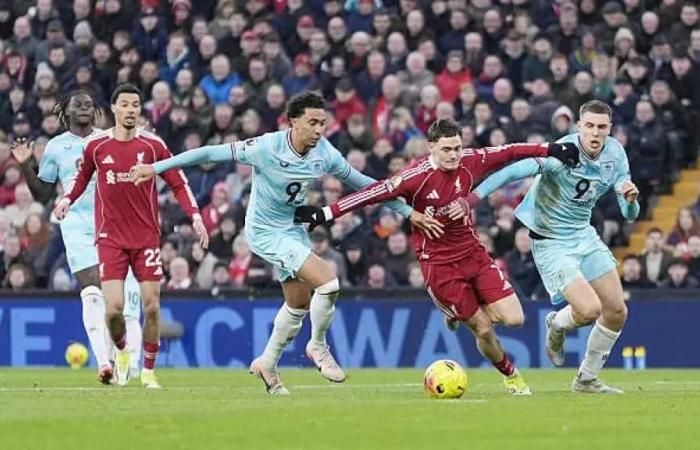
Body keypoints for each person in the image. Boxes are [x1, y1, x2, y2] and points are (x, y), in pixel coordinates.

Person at [130, 91, 440, 395]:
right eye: (312, 122)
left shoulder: (325, 153)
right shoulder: (266, 147)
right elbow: (209, 153)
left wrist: (407, 211)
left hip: (293, 229)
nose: (319, 130)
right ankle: (318, 346)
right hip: (264, 231)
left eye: (323, 123)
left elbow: (368, 186)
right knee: (328, 282)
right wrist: (155, 168)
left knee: (298, 303)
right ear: (293, 122)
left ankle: (267, 364)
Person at [294, 118, 581, 395]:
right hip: (439, 265)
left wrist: (550, 148)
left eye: (457, 148)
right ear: (431, 146)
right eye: (446, 149)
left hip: (473, 254)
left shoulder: (470, 161)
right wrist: (325, 213)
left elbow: (509, 151)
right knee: (483, 329)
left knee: (515, 319)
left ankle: (456, 312)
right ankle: (511, 376)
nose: (453, 155)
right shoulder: (415, 176)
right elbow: (374, 192)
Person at [470, 100, 640, 394]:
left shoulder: (615, 153)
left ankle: (586, 380)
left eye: (601, 127)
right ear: (579, 126)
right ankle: (557, 324)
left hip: (583, 235)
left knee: (616, 311)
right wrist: (473, 198)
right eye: (589, 126)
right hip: (551, 241)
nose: (595, 133)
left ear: (610, 129)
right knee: (589, 310)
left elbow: (629, 214)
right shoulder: (562, 153)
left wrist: (631, 200)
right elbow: (513, 171)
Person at [53, 84, 208, 389]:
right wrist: (67, 200)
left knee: (151, 307)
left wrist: (196, 216)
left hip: (146, 238)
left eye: (135, 105)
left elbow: (178, 182)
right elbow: (81, 178)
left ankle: (148, 372)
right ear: (114, 109)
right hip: (110, 239)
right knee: (113, 310)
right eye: (124, 104)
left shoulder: (152, 145)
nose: (130, 110)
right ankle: (122, 351)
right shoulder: (97, 146)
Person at [11, 90, 143, 384]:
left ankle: (121, 356)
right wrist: (25, 164)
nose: (84, 108)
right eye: (77, 104)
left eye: (88, 104)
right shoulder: (57, 147)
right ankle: (104, 362)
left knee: (115, 296)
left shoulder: (110, 139)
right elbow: (43, 193)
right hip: (76, 225)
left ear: (95, 111)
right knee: (92, 290)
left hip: (113, 222)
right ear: (66, 111)